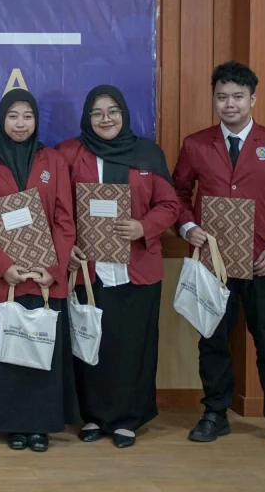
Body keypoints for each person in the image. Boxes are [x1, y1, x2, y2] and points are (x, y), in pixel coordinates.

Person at [173, 62, 265, 452]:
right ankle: (215, 412)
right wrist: (187, 228)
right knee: (212, 340)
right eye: (222, 97)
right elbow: (177, 195)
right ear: (213, 99)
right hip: (213, 265)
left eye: (237, 97)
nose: (229, 104)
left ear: (252, 99)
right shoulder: (196, 144)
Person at [56, 85, 180, 448]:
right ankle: (93, 416)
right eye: (97, 113)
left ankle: (128, 419)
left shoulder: (147, 153)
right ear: (86, 117)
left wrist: (144, 226)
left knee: (133, 345)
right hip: (88, 269)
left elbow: (170, 205)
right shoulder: (69, 153)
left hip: (136, 268)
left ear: (123, 114)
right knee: (91, 342)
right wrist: (67, 247)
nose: (105, 119)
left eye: (112, 111)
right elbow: (56, 207)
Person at [0, 89, 78, 452]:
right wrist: (2, 266)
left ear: (36, 120)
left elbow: (65, 220)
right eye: (13, 116)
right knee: (8, 353)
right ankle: (12, 425)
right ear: (1, 120)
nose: (20, 123)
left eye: (27, 116)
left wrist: (54, 267)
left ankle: (40, 426)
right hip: (6, 279)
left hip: (45, 279)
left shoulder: (54, 160)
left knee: (42, 351)